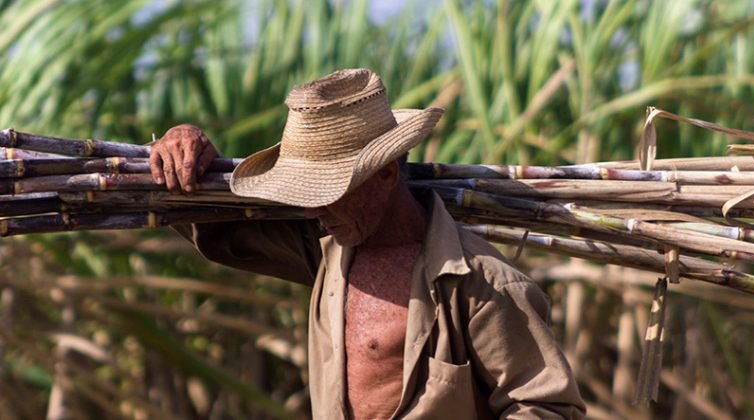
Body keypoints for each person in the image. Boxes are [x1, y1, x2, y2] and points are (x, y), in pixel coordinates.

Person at [149, 68, 585, 419]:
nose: (311, 211)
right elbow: (217, 230)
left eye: (327, 194)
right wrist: (183, 144)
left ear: (386, 175)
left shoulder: (482, 285)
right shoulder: (325, 251)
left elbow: (545, 406)